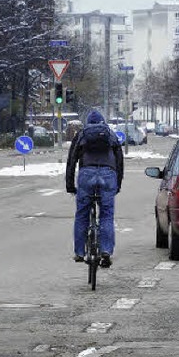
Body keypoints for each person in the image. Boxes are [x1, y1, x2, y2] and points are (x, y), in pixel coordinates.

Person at [66, 108, 124, 267]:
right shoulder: (110, 135)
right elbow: (119, 161)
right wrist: (117, 185)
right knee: (106, 215)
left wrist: (70, 186)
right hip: (108, 175)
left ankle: (79, 252)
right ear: (102, 122)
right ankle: (106, 250)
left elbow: (71, 161)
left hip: (86, 174)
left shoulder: (82, 135)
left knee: (82, 214)